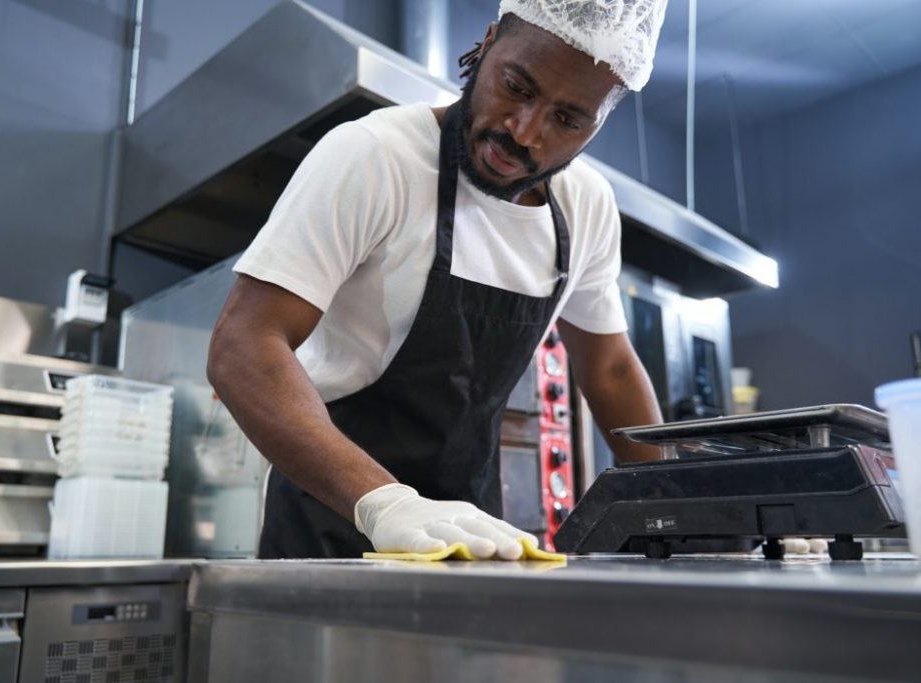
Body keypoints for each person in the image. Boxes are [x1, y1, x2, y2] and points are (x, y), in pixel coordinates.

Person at [207, 0, 669, 560]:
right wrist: (388, 506)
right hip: (331, 518)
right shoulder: (377, 157)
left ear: (598, 126)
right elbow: (244, 345)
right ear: (489, 42)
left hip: (472, 532)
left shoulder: (586, 207)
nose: (525, 133)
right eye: (517, 87)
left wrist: (674, 503)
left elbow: (611, 367)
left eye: (567, 120)